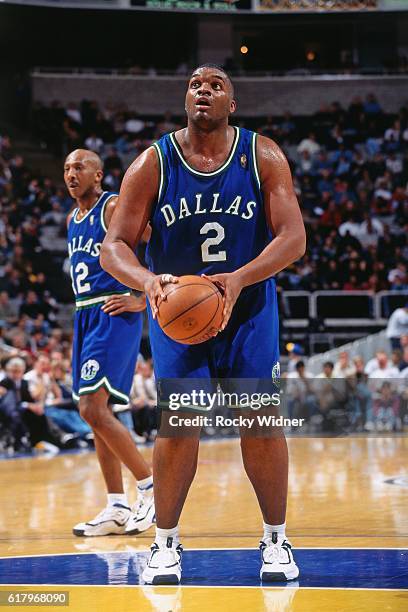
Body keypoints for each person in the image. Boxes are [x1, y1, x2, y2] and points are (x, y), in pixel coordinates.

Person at [101, 64, 305, 584]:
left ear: (230, 104)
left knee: (260, 424)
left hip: (249, 309)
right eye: (195, 84)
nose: (204, 90)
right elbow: (114, 246)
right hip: (177, 312)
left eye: (216, 85)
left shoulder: (262, 155)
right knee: (179, 426)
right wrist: (147, 282)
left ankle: (276, 540)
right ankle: (165, 544)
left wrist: (238, 279)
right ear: (184, 98)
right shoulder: (153, 162)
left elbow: (292, 238)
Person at [64, 149, 155, 537]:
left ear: (98, 175)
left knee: (92, 409)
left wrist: (145, 297)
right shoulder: (72, 219)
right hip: (84, 315)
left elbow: (158, 239)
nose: (71, 173)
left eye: (79, 167)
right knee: (95, 414)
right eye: (67, 168)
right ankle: (117, 506)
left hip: (113, 311)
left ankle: (150, 488)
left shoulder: (112, 205)